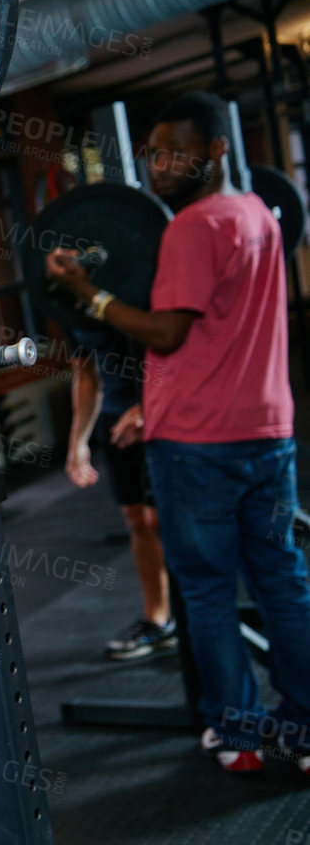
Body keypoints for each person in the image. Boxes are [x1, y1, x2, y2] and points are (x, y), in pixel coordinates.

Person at [46, 89, 310, 777]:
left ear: (216, 150)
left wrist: (89, 296)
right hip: (267, 433)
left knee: (210, 592)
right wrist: (150, 407)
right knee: (282, 580)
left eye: (176, 151)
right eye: (153, 153)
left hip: (199, 450)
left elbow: (169, 331)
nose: (160, 166)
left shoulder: (193, 227)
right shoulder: (260, 215)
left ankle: (239, 733)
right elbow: (220, 336)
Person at [63, 326, 176, 660]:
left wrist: (149, 405)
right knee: (137, 519)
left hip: (164, 409)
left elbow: (177, 349)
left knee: (165, 519)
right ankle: (159, 621)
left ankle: (207, 616)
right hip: (115, 416)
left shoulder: (128, 286)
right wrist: (77, 443)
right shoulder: (68, 306)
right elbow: (85, 375)